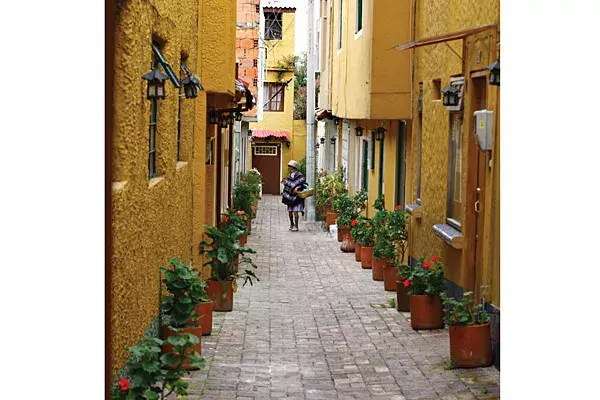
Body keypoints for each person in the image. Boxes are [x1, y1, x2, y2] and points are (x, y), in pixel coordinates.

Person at [281, 160, 306, 232]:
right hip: (289, 196)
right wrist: (285, 182)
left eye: (289, 167)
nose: (288, 168)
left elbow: (303, 184)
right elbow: (288, 184)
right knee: (290, 211)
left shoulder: (299, 175)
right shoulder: (289, 176)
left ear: (293, 167)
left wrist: (298, 188)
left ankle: (296, 226)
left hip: (296, 197)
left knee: (295, 211)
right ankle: (291, 224)